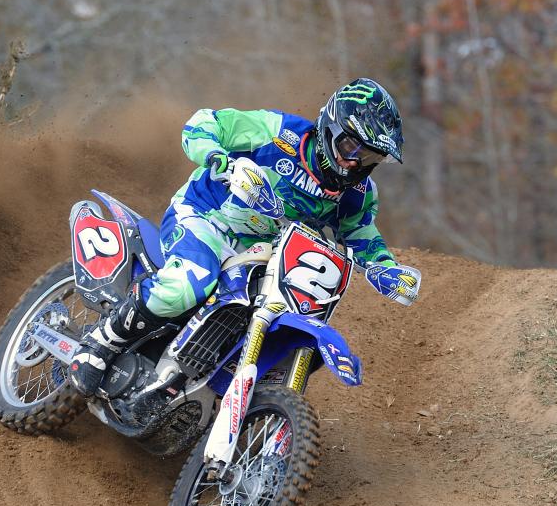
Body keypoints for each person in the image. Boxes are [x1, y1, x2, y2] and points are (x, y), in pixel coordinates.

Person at [69, 78, 419, 396]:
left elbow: (360, 230)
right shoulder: (277, 132)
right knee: (187, 286)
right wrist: (218, 158)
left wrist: (384, 267)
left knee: (263, 317)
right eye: (351, 147)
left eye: (370, 155)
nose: (355, 163)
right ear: (330, 128)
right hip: (207, 218)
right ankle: (101, 344)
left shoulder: (359, 193)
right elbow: (205, 123)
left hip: (264, 255)